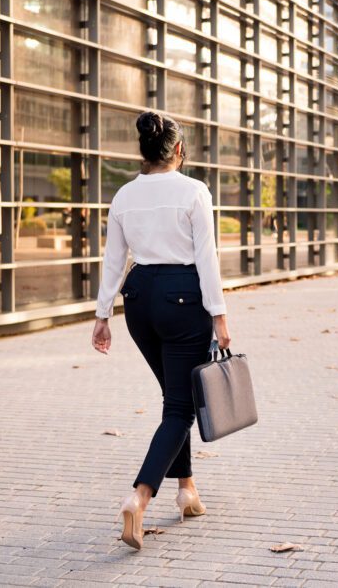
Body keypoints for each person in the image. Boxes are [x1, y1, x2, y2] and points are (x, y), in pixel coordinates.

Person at [91, 111, 231, 550]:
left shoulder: (123, 195)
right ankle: (140, 496)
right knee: (180, 409)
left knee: (176, 399)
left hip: (139, 302)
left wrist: (102, 316)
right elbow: (206, 257)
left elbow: (113, 259)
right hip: (183, 298)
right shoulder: (194, 190)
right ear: (177, 149)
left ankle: (187, 490)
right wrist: (220, 315)